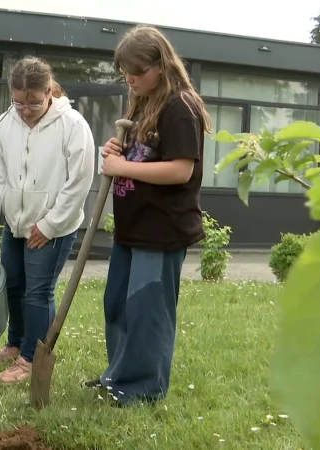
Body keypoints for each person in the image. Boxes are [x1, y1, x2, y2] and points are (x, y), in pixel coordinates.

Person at [86, 25, 212, 406]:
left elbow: (180, 170)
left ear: (161, 65)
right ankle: (119, 377)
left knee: (146, 310)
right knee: (119, 304)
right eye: (125, 71)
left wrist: (122, 168)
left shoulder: (180, 107)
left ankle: (143, 389)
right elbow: (140, 154)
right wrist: (116, 151)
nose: (130, 78)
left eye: (138, 71)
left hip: (162, 230)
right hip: (133, 227)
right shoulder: (143, 103)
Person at [0, 56, 97, 385]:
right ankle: (15, 345)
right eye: (18, 101)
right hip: (15, 224)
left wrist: (50, 224)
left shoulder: (73, 126)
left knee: (37, 292)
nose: (25, 109)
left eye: (33, 102)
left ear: (49, 92)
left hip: (54, 227)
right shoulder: (2, 126)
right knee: (13, 287)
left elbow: (80, 182)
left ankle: (31, 359)